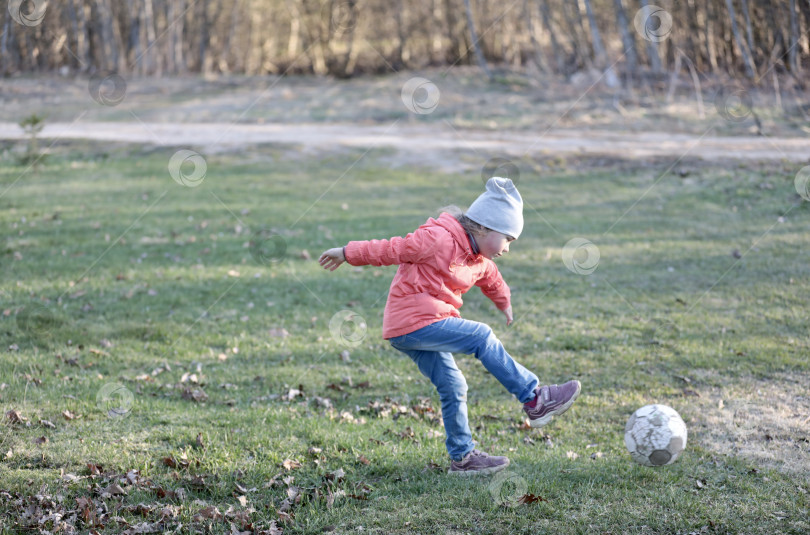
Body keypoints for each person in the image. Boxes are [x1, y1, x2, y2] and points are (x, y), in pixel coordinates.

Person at [318, 177, 580, 475]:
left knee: (453, 385)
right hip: (413, 321)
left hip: (418, 329)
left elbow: (491, 278)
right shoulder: (438, 239)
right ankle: (535, 398)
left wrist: (504, 302)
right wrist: (347, 253)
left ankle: (462, 457)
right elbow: (393, 249)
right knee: (481, 336)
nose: (508, 248)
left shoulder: (478, 258)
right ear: (483, 227)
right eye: (507, 238)